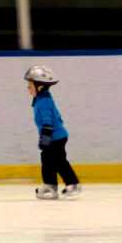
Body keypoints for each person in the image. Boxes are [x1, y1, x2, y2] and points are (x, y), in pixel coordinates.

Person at [24, 65, 82, 200]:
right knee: (48, 161)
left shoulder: (43, 101)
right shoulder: (41, 99)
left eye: (30, 85)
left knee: (59, 162)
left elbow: (47, 123)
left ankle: (72, 184)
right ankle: (50, 186)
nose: (28, 88)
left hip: (55, 137)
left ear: (40, 87)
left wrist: (45, 140)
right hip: (54, 137)